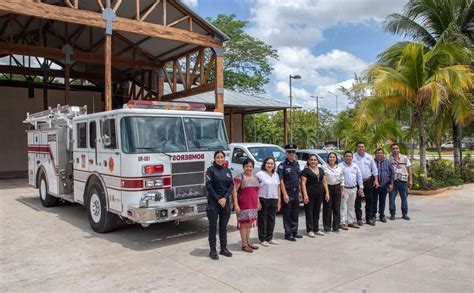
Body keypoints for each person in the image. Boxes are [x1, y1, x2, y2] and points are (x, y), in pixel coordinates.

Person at [205, 150, 234, 260]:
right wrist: (218, 199)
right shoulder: (210, 170)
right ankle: (212, 250)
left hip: (225, 202)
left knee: (223, 227)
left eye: (222, 157)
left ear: (224, 159)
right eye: (218, 157)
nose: (220, 159)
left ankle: (223, 248)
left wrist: (225, 198)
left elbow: (231, 185)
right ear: (215, 159)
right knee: (213, 227)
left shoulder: (227, 170)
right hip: (214, 202)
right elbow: (209, 187)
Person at [232, 158, 260, 253]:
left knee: (248, 224)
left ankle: (248, 242)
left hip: (252, 204)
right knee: (243, 224)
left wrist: (258, 202)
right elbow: (234, 190)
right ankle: (244, 244)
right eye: (247, 166)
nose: (249, 168)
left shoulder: (255, 177)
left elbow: (257, 191)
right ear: (243, 167)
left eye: (250, 166)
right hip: (243, 204)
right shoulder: (240, 177)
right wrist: (236, 204)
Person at [277, 144, 302, 241]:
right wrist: (285, 194)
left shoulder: (296, 164)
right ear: (286, 153)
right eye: (289, 152)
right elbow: (281, 181)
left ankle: (294, 231)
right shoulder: (282, 166)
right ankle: (288, 233)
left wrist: (299, 192)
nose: (291, 154)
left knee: (295, 213)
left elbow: (298, 179)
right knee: (287, 214)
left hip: (296, 192)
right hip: (287, 192)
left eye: (293, 152)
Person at [301, 154, 329, 237]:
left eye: (315, 160)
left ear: (317, 161)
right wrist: (305, 195)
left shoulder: (320, 170)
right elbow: (303, 183)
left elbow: (324, 182)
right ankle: (310, 230)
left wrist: (327, 192)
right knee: (309, 212)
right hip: (309, 194)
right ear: (309, 161)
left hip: (319, 194)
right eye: (311, 160)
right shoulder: (305, 171)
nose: (313, 161)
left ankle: (316, 229)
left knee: (317, 212)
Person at [256, 157, 281, 247]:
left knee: (272, 219)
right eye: (268, 163)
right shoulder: (260, 174)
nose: (270, 165)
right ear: (264, 164)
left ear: (274, 165)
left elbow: (278, 188)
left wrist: (279, 201)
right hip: (263, 199)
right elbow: (256, 189)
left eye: (271, 164)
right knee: (263, 220)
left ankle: (269, 237)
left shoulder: (276, 175)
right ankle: (262, 239)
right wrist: (257, 201)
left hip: (274, 199)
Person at [353, 142, 379, 226]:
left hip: (368, 181)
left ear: (365, 148)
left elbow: (374, 169)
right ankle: (359, 219)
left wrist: (376, 180)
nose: (361, 148)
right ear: (357, 148)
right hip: (357, 182)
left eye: (362, 147)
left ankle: (369, 218)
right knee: (358, 202)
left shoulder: (369, 157)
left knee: (369, 200)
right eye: (359, 147)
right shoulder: (353, 157)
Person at [339, 151, 364, 230]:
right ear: (344, 157)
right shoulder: (340, 166)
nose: (348, 158)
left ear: (352, 158)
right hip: (344, 189)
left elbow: (359, 177)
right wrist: (341, 189)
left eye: (350, 156)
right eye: (347, 156)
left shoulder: (355, 166)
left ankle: (350, 222)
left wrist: (361, 187)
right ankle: (342, 222)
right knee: (343, 206)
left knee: (351, 206)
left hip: (354, 188)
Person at [388, 144, 413, 220]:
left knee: (404, 198)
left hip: (403, 181)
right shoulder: (389, 159)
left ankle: (404, 214)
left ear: (399, 149)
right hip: (393, 182)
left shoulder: (405, 158)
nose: (395, 150)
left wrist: (410, 180)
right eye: (393, 148)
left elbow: (409, 170)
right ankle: (392, 214)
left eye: (396, 148)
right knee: (391, 198)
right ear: (391, 150)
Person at [322, 152, 344, 233]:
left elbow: (342, 179)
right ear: (328, 158)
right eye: (330, 157)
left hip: (337, 188)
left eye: (333, 157)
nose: (332, 158)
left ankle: (336, 227)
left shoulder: (339, 168)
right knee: (327, 208)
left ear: (336, 159)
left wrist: (342, 191)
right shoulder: (324, 167)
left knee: (336, 208)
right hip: (327, 188)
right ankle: (327, 227)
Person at [371, 148, 395, 223]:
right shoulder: (372, 162)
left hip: (384, 185)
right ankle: (373, 216)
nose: (379, 154)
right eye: (378, 153)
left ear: (383, 154)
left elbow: (392, 173)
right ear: (375, 154)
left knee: (382, 201)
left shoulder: (387, 162)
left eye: (381, 153)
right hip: (374, 185)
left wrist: (391, 183)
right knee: (374, 201)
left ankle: (382, 215)